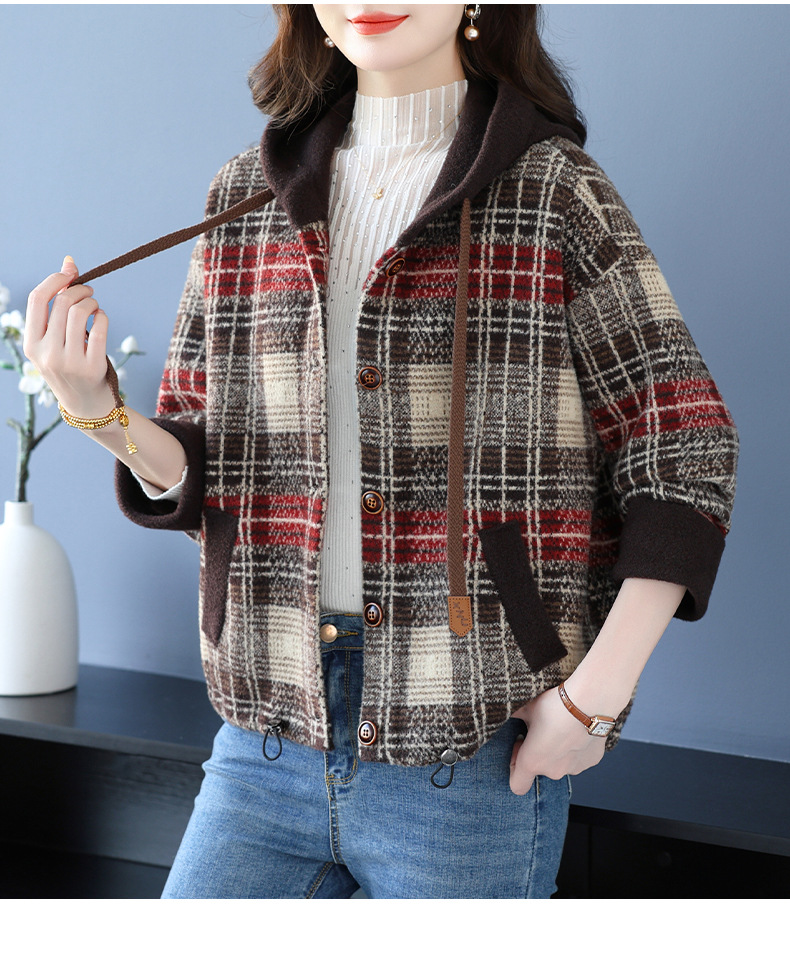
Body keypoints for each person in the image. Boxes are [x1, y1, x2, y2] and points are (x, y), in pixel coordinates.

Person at [23, 5, 738, 899]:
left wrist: (594, 702)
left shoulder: (555, 194)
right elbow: (213, 468)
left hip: (469, 750)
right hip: (264, 736)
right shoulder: (246, 195)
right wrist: (98, 413)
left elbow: (686, 447)